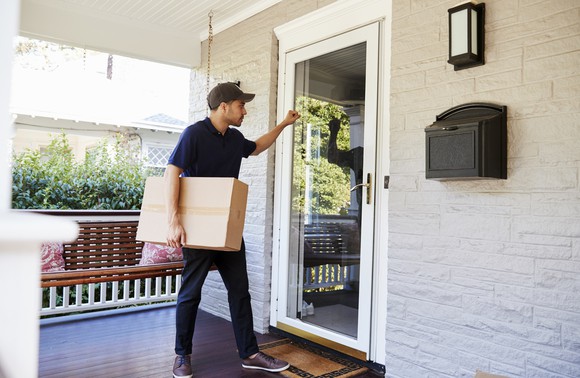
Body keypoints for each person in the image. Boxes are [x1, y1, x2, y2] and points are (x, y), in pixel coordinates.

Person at [165, 82, 301, 378]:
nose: (245, 111)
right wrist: (173, 219)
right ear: (223, 106)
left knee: (240, 291)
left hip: (228, 228)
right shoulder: (194, 134)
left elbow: (257, 147)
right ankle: (182, 355)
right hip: (198, 229)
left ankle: (250, 353)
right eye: (241, 105)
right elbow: (172, 171)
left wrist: (284, 124)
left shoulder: (235, 137)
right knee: (191, 293)